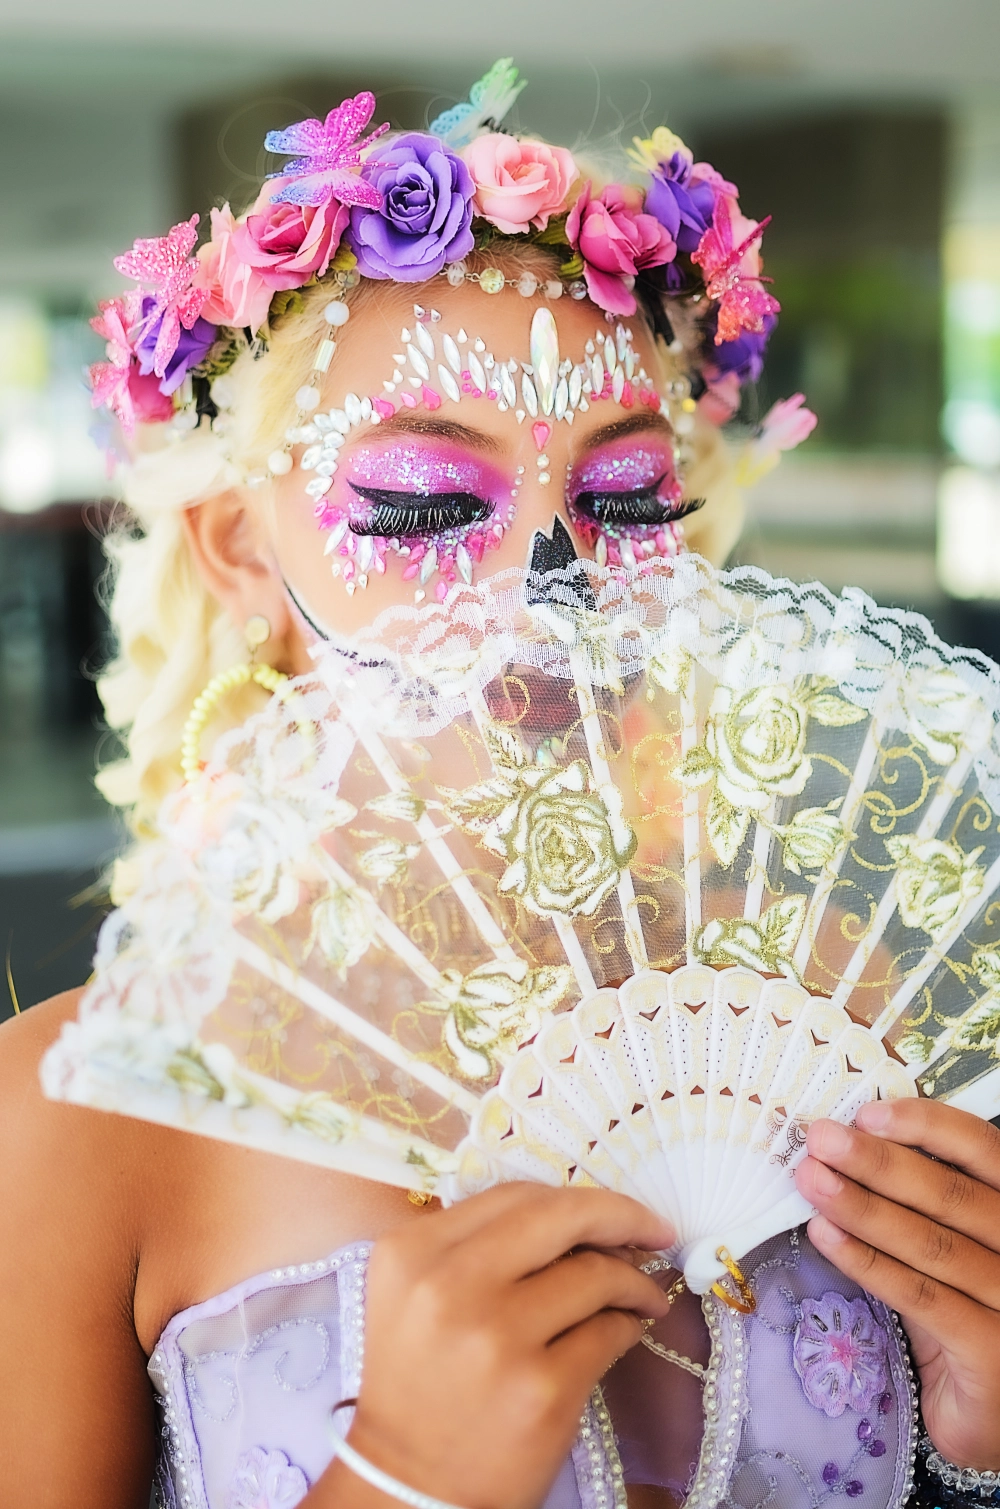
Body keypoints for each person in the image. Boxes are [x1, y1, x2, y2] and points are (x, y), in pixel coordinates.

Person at [2, 63, 1000, 1509]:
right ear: (238, 553)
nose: (557, 593)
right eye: (424, 504)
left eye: (625, 502)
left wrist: (980, 1450)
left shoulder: (833, 998)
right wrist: (393, 1476)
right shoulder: (73, 1126)